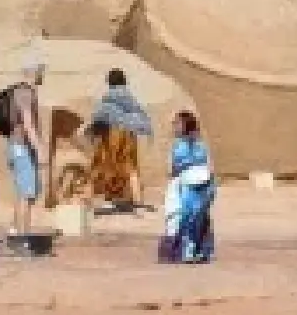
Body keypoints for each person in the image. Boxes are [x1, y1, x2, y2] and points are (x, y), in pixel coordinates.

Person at [87, 68, 154, 211]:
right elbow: (139, 115)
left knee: (104, 165)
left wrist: (91, 132)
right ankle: (138, 201)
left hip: (112, 134)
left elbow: (100, 116)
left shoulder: (108, 97)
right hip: (129, 134)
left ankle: (92, 200)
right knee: (130, 167)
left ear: (110, 81)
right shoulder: (130, 97)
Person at [158, 111, 215, 264]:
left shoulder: (179, 147)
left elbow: (172, 170)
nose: (173, 126)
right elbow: (209, 167)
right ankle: (201, 251)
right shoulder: (201, 145)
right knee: (199, 218)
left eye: (176, 123)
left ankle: (182, 252)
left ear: (184, 126)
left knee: (178, 217)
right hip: (204, 184)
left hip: (185, 185)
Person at [3, 60, 47, 252]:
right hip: (23, 148)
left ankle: (14, 232)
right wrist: (39, 148)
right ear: (34, 72)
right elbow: (28, 123)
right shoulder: (25, 93)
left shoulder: (20, 91)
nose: (42, 75)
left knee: (22, 192)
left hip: (17, 147)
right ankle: (23, 241)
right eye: (41, 71)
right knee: (27, 196)